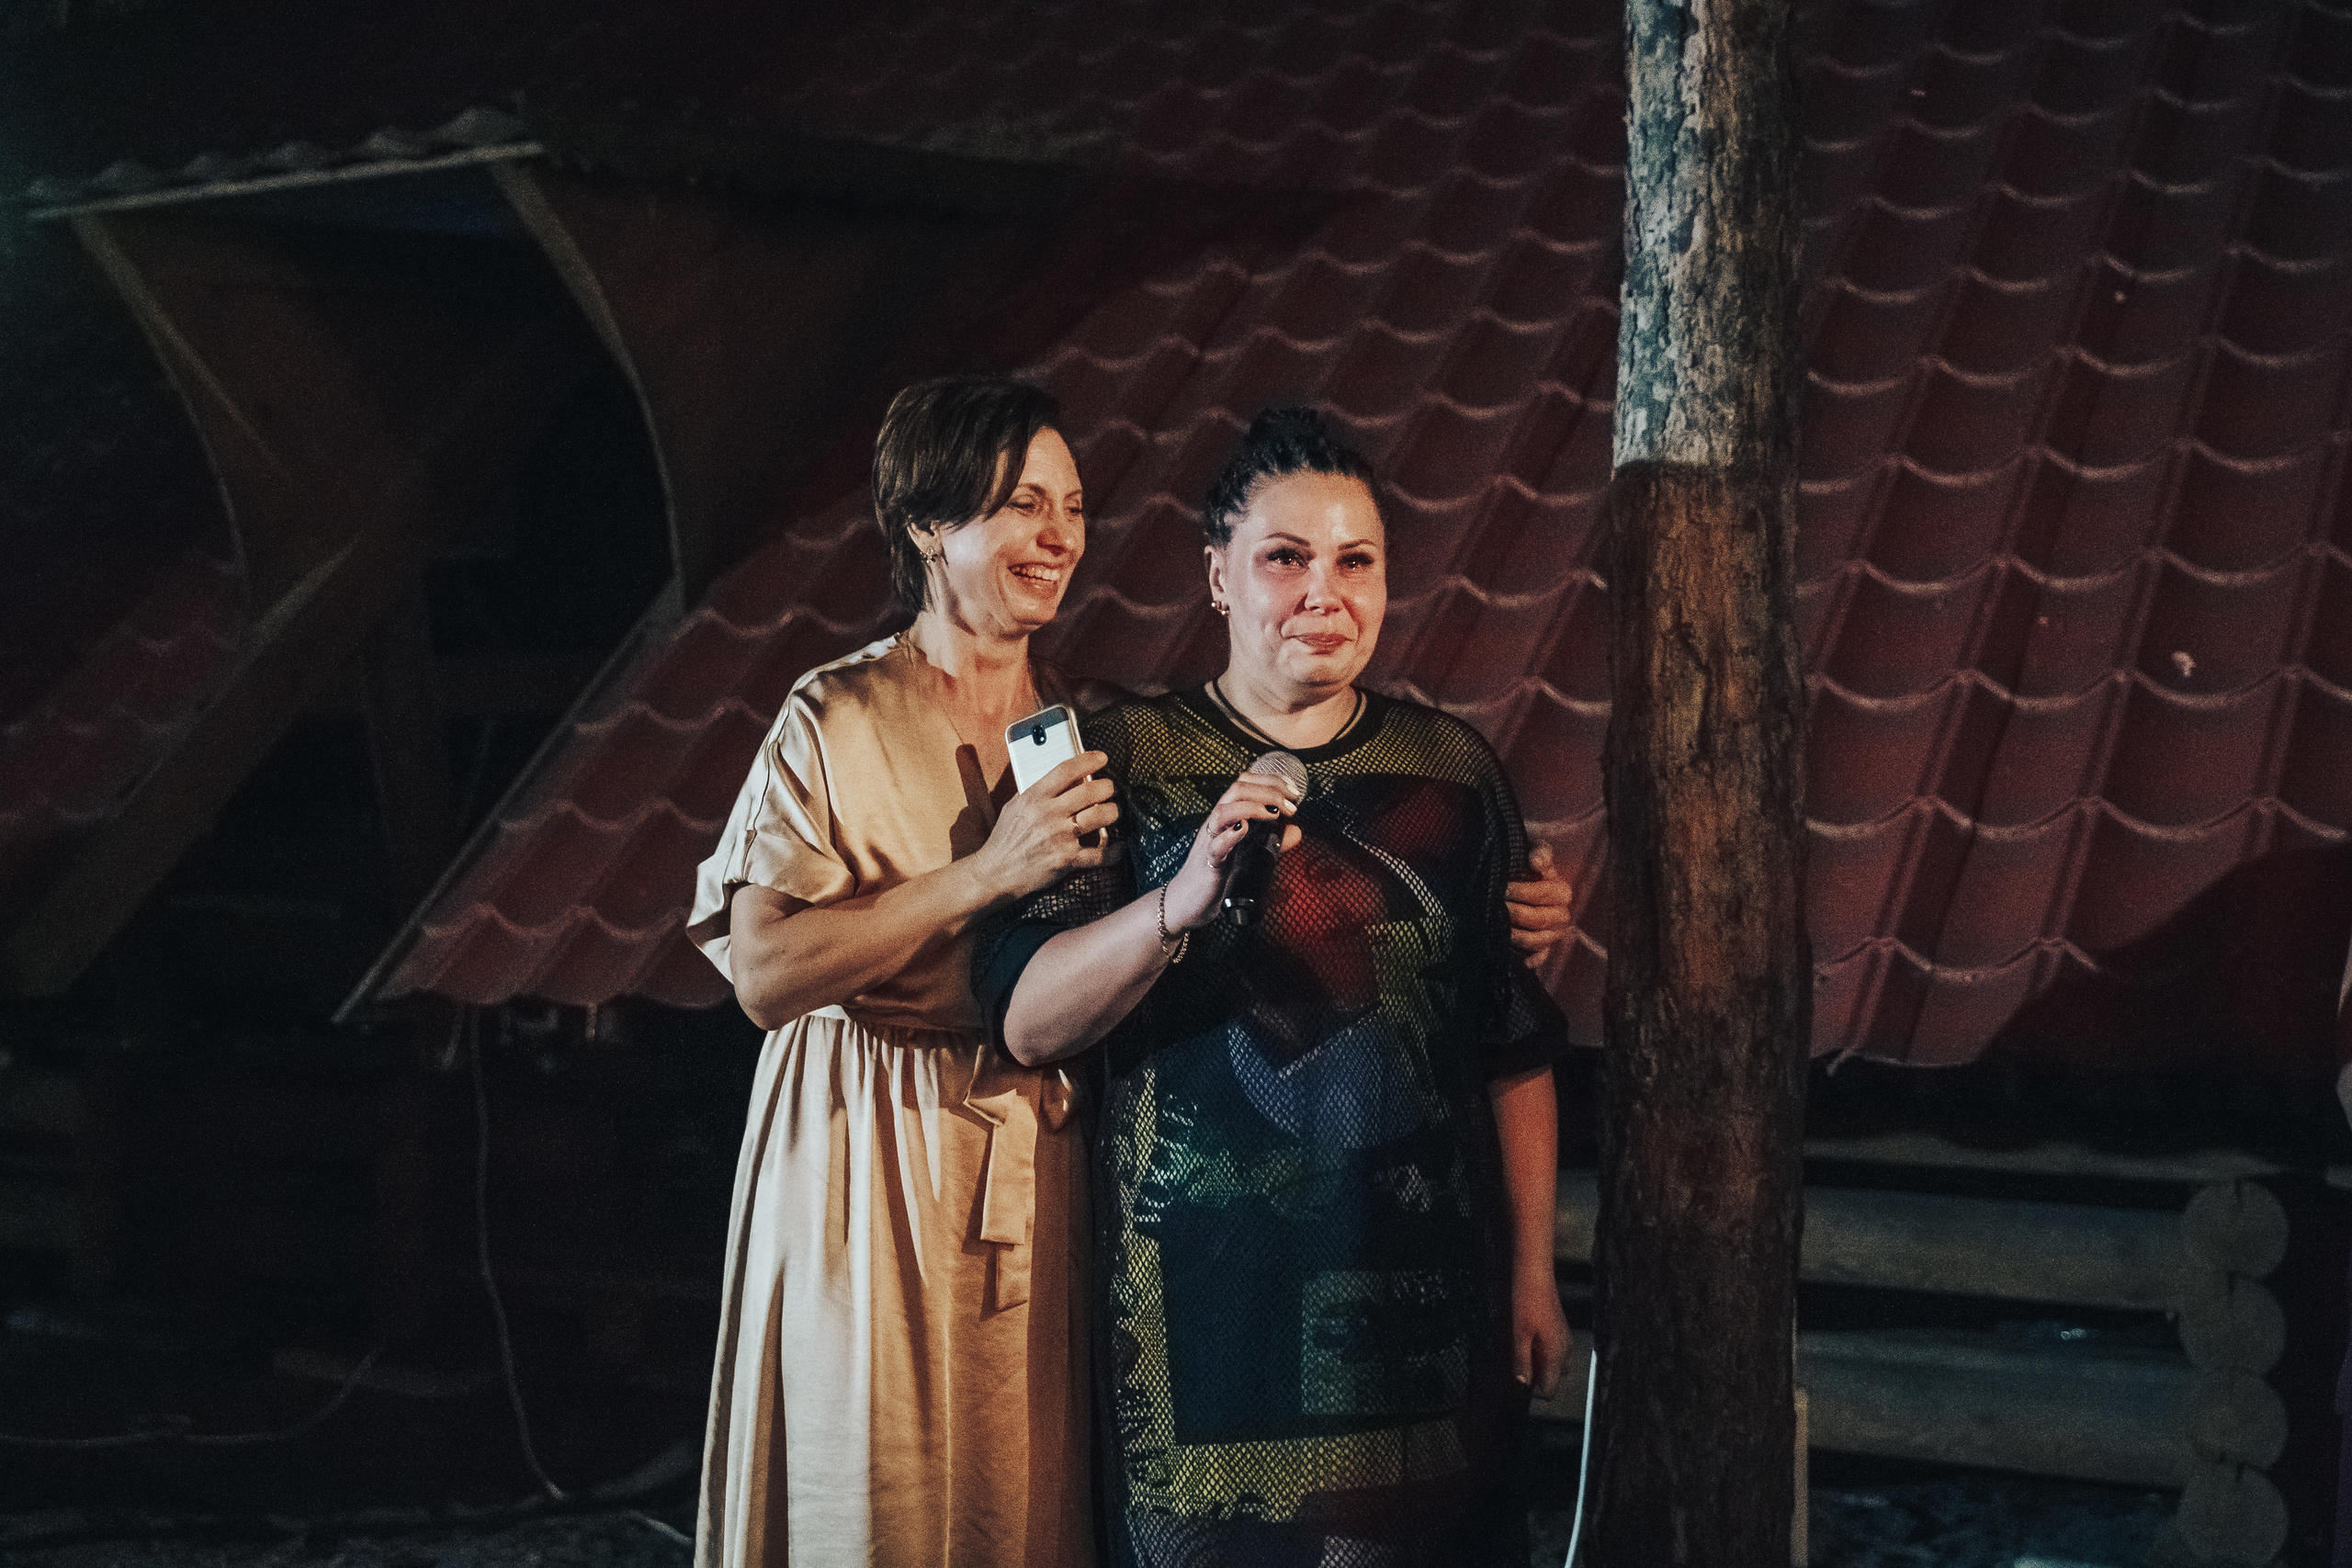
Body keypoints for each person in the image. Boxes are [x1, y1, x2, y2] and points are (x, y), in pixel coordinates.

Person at [685, 380, 1575, 1568]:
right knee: (877, 1485)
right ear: (925, 526)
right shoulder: (847, 714)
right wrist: (1003, 872)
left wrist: (1515, 923)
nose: (1055, 532)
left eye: (1071, 504)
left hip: (1049, 1159)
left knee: (1031, 1497)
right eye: (1017, 504)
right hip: (878, 1141)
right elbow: (772, 972)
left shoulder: (1079, 719)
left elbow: (1493, 1023)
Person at [977, 407, 1573, 1567]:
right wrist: (1178, 899)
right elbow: (1025, 1017)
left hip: (1420, 1298)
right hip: (1199, 1313)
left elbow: (1511, 1046)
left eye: (1356, 561)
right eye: (1284, 558)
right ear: (1216, 577)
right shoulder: (1119, 754)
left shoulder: (1449, 772)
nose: (1324, 591)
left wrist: (1535, 1273)